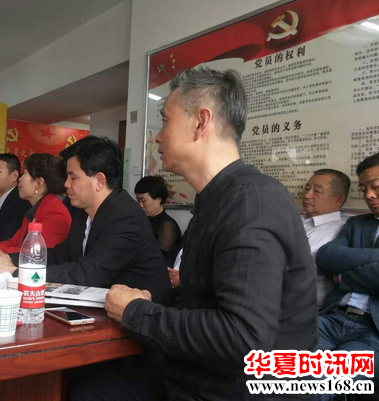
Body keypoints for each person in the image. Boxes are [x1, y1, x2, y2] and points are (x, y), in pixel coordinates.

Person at [69, 67, 318, 401]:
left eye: (165, 121)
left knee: (88, 390)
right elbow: (204, 299)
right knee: (84, 381)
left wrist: (136, 312)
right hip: (199, 375)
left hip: (238, 390)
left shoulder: (251, 201)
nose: (157, 137)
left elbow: (243, 337)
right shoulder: (216, 198)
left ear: (201, 122)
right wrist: (149, 300)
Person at [0, 136, 170, 291]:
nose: (66, 184)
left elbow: (88, 273)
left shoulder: (125, 217)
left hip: (143, 314)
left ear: (99, 180)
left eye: (73, 177)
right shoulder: (83, 213)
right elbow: (60, 255)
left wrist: (16, 273)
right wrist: (8, 258)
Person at [315, 153, 379, 400]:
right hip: (332, 318)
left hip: (372, 333)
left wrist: (344, 278)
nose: (369, 195)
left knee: (316, 386)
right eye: (363, 189)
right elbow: (327, 256)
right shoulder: (357, 224)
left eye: (376, 187)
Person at [0, 153, 71, 257]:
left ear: (39, 183)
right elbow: (13, 243)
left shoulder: (54, 212)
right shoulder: (37, 209)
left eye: (25, 173)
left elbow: (35, 254)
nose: (20, 179)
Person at [302, 169, 349, 310]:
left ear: (338, 199)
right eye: (307, 189)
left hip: (300, 307)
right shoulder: (297, 219)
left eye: (317, 191)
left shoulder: (338, 231)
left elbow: (300, 267)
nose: (307, 195)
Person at [134, 175, 181, 257]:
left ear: (158, 200)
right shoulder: (140, 220)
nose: (140, 205)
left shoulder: (168, 226)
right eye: (138, 200)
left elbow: (158, 257)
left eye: (143, 200)